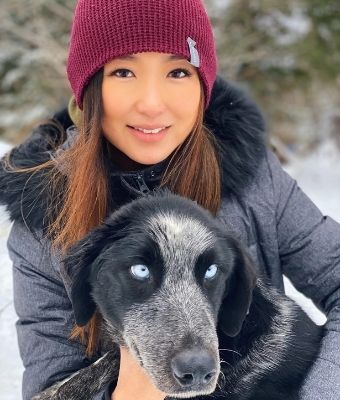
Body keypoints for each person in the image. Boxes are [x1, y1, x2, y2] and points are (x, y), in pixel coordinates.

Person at [0, 0, 339, 399]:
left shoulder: (253, 178)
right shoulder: (44, 219)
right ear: (89, 89)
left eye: (178, 71)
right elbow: (48, 385)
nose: (151, 103)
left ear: (202, 87)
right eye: (123, 71)